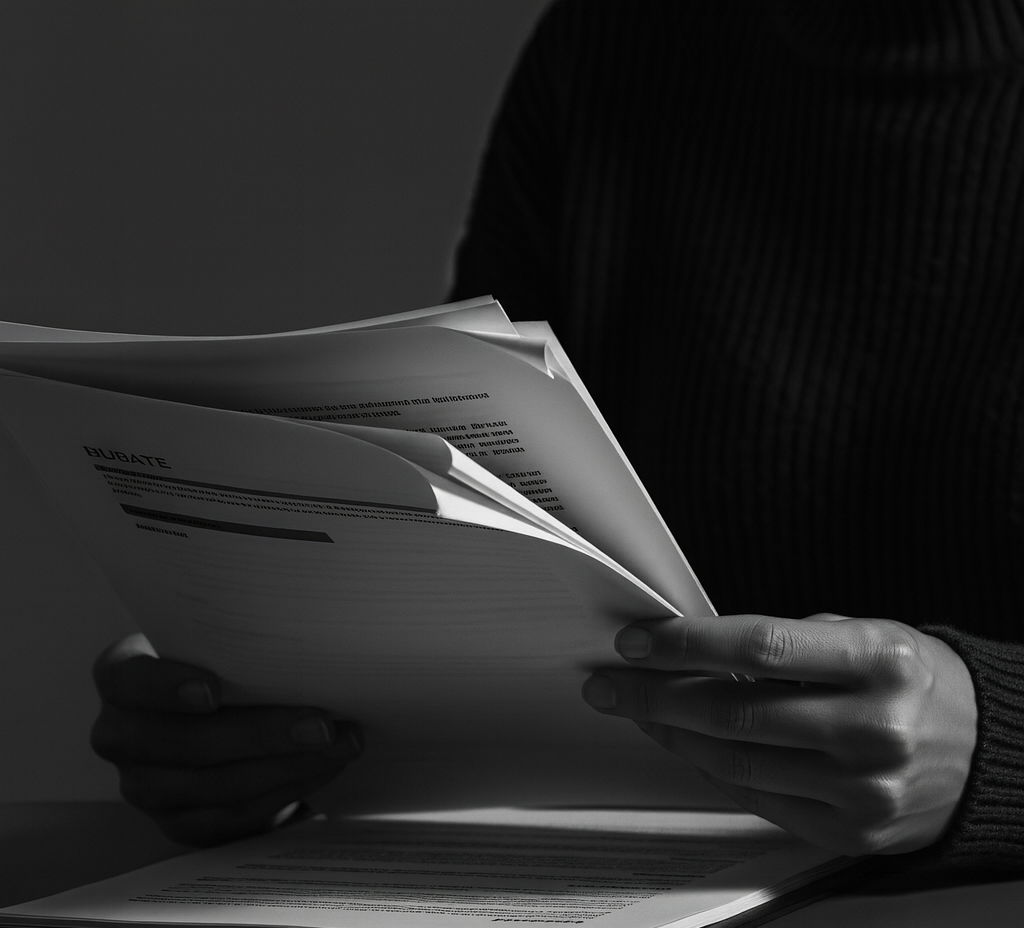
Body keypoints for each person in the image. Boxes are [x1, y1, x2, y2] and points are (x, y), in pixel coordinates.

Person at [92, 0, 1024, 874]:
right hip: (625, 895)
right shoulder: (614, 45)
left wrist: (998, 743)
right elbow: (474, 517)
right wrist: (281, 716)